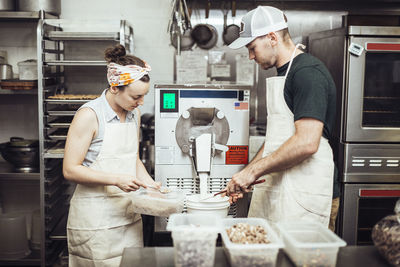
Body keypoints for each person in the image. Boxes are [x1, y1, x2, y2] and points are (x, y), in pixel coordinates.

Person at [226, 6, 340, 230]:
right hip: (286, 188)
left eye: (252, 48)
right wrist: (245, 174)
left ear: (271, 37)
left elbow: (307, 142)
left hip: (307, 192)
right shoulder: (284, 73)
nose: (250, 56)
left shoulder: (307, 72)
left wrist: (252, 172)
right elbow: (276, 140)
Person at [63, 44, 160, 266]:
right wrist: (116, 180)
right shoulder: (89, 115)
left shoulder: (133, 113)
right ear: (115, 88)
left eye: (144, 96)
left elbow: (131, 159)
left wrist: (150, 185)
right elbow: (70, 169)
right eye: (136, 96)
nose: (141, 103)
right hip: (95, 221)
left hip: (127, 217)